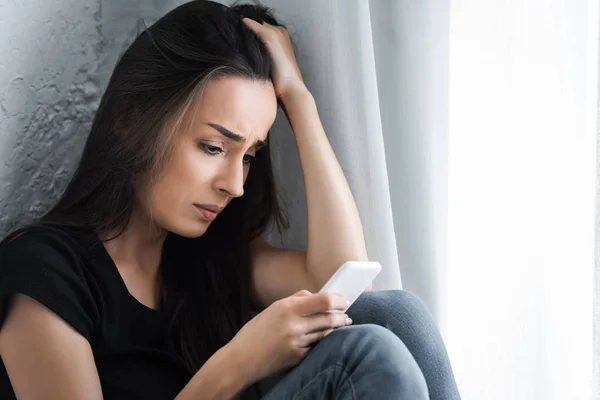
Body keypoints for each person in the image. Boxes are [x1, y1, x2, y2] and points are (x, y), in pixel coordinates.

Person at [0, 1, 461, 399]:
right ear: (130, 119)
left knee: (395, 313)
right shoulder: (44, 274)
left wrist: (299, 102)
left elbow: (340, 282)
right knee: (366, 353)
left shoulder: (205, 257)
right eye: (214, 148)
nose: (235, 185)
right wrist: (237, 363)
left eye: (249, 156)